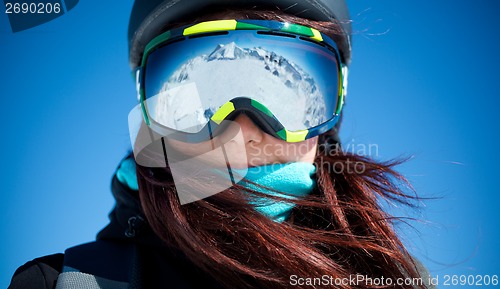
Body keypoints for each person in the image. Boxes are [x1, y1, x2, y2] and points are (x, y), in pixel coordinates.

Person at [9, 0, 435, 288]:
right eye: (198, 93)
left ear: (331, 110)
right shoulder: (67, 283)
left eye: (288, 92)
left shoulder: (397, 279)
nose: (241, 130)